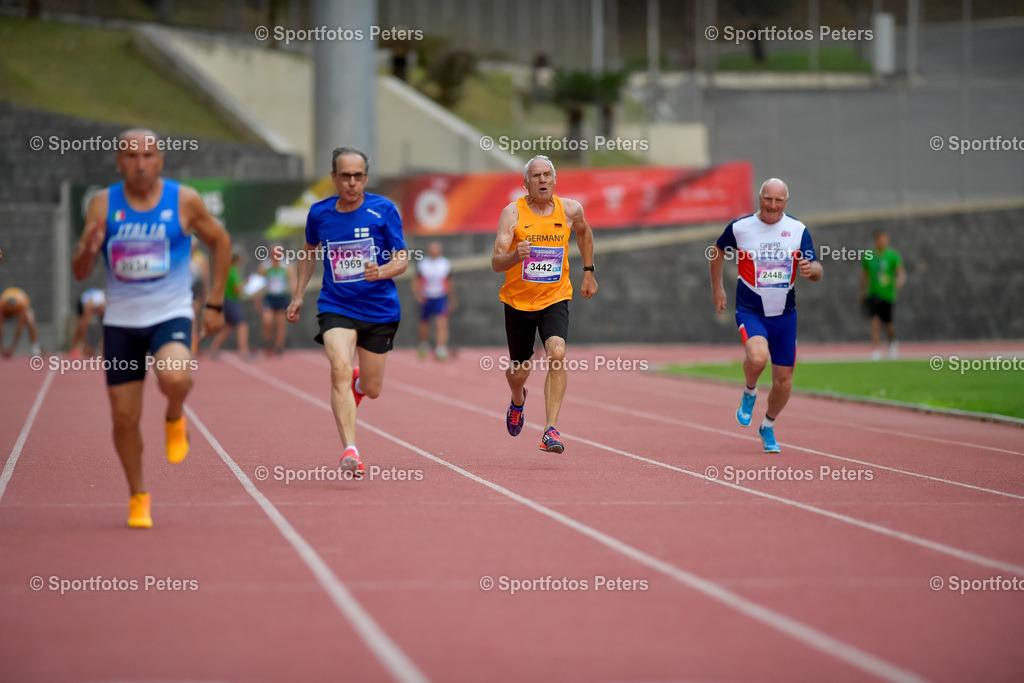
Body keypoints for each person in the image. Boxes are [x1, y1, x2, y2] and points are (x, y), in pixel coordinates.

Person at [72, 128, 230, 529]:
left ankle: (175, 415)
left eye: (147, 155)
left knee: (175, 377)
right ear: (118, 162)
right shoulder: (102, 203)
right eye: (131, 155)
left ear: (160, 160)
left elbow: (221, 241)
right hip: (121, 322)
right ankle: (138, 494)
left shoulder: (184, 200)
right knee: (124, 420)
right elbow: (80, 271)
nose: (140, 164)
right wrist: (88, 249)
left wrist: (214, 302)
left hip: (170, 313)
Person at [287, 147, 408, 476]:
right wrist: (298, 296)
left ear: (365, 178)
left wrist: (381, 271)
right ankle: (350, 449)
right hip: (336, 305)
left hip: (379, 310)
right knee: (339, 367)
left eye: (358, 176)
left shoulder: (383, 210)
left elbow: (402, 258)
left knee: (373, 389)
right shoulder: (319, 213)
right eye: (345, 176)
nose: (352, 182)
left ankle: (360, 385)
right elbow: (308, 251)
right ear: (334, 177)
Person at [491, 154, 598, 454]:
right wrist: (515, 256)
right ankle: (518, 399)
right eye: (536, 176)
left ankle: (550, 429)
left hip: (555, 297)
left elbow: (584, 232)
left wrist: (588, 272)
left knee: (558, 353)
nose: (542, 180)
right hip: (518, 302)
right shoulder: (512, 213)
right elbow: (496, 262)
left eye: (547, 175)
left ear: (554, 180)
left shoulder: (570, 210)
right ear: (526, 183)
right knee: (519, 372)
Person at [708, 178, 823, 453]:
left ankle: (768, 425)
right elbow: (716, 251)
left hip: (785, 316)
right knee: (758, 357)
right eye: (768, 199)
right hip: (751, 311)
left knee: (784, 381)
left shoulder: (797, 230)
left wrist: (812, 270)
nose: (772, 205)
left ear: (786, 202)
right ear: (759, 198)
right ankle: (750, 391)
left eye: (778, 200)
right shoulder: (741, 227)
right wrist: (717, 289)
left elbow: (817, 268)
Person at [859, 229, 905, 360]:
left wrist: (900, 280)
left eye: (885, 239)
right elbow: (865, 274)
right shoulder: (869, 255)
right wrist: (862, 291)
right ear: (876, 240)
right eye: (881, 239)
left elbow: (900, 272)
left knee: (887, 324)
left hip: (887, 294)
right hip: (873, 293)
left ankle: (892, 342)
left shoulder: (892, 255)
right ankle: (876, 349)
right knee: (874, 321)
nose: (883, 241)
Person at [413, 240, 455, 360]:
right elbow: (416, 280)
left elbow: (449, 281)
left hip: (440, 297)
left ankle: (441, 349)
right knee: (424, 324)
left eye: (436, 250)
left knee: (441, 323)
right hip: (426, 297)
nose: (434, 252)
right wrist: (418, 294)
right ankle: (423, 345)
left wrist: (451, 299)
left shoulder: (445, 263)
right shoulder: (423, 264)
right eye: (432, 250)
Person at [208, 253, 252, 358]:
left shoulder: (228, 270)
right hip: (231, 301)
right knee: (242, 325)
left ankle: (213, 349)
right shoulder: (233, 271)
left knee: (227, 327)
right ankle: (244, 351)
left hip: (227, 300)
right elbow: (237, 288)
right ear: (238, 261)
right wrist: (246, 284)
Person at [259, 244, 295, 355]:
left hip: (282, 297)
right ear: (271, 253)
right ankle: (269, 342)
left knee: (281, 323)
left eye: (278, 253)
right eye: (274, 253)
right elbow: (259, 283)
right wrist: (258, 300)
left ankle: (279, 345)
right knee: (267, 321)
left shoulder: (287, 266)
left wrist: (294, 299)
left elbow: (292, 282)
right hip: (269, 297)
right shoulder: (265, 266)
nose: (276, 255)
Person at [0, 286, 41, 357]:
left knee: (30, 321)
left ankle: (35, 348)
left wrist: (13, 348)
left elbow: (19, 328)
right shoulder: (2, 304)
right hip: (6, 311)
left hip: (21, 308)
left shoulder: (22, 304)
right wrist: (2, 349)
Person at [189, 236, 210, 354]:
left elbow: (205, 277)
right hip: (183, 290)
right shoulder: (183, 255)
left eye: (194, 246)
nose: (192, 248)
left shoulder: (201, 258)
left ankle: (192, 342)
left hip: (195, 290)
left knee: (193, 315)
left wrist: (205, 292)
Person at [71, 287, 106, 357]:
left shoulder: (105, 308)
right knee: (81, 323)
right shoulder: (94, 302)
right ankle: (75, 347)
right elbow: (84, 325)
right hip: (83, 301)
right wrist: (85, 345)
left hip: (95, 301)